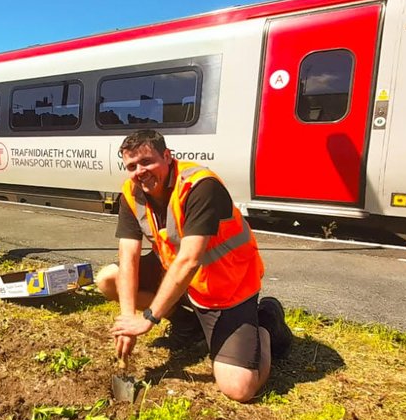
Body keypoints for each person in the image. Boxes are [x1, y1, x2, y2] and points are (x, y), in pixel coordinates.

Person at [96, 129, 292, 402]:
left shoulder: (200, 186)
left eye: (147, 162)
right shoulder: (132, 193)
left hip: (226, 286)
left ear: (167, 156)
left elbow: (190, 259)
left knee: (239, 388)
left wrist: (148, 318)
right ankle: (188, 325)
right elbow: (127, 256)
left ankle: (266, 322)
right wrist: (128, 319)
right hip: (180, 277)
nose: (139, 171)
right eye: (132, 166)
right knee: (108, 278)